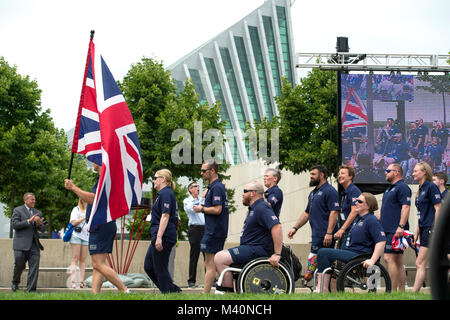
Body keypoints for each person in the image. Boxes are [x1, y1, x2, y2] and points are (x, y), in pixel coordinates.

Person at [64, 163, 130, 294]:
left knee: (98, 264)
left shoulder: (104, 179)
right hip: (104, 224)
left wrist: (73, 188)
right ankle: (95, 295)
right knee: (98, 264)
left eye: (93, 160)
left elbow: (92, 198)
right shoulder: (106, 179)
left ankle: (124, 290)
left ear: (100, 162)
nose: (92, 163)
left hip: (100, 225)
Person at [214, 181, 282, 292]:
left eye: (245, 191)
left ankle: (227, 293)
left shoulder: (262, 207)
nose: (242, 194)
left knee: (220, 257)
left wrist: (277, 253)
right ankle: (229, 290)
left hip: (257, 249)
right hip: (250, 247)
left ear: (253, 193)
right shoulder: (254, 208)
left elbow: (277, 227)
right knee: (221, 257)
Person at [316, 193, 386, 292]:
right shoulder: (359, 219)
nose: (356, 203)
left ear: (368, 206)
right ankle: (329, 289)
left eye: (360, 201)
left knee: (323, 253)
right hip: (352, 252)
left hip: (359, 255)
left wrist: (372, 260)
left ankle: (322, 288)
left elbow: (381, 241)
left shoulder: (371, 220)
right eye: (356, 201)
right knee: (327, 255)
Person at [287, 165, 339, 282]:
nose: (310, 177)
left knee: (319, 260)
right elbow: (307, 213)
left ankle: (320, 286)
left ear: (322, 175)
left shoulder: (330, 191)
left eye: (313, 175)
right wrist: (295, 228)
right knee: (319, 260)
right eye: (310, 174)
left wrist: (329, 233)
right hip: (316, 234)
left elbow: (334, 212)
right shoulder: (313, 193)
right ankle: (320, 286)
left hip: (325, 235)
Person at [193, 159, 229, 294]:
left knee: (210, 265)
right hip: (213, 230)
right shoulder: (214, 187)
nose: (201, 173)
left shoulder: (217, 187)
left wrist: (201, 209)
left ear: (212, 171)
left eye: (204, 171)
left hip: (214, 231)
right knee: (211, 264)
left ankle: (205, 294)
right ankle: (226, 290)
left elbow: (217, 209)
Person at [144, 169, 181, 294]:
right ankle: (172, 290)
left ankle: (169, 293)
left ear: (163, 179)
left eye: (155, 178)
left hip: (163, 236)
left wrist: (159, 237)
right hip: (160, 235)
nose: (153, 180)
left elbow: (165, 216)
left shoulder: (166, 194)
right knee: (149, 266)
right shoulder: (163, 194)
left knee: (159, 267)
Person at [378, 163, 411, 291]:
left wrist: (401, 226)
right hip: (387, 229)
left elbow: (406, 207)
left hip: (395, 230)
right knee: (397, 261)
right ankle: (401, 292)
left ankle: (391, 291)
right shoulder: (389, 188)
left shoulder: (402, 187)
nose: (385, 173)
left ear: (396, 172)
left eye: (388, 170)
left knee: (388, 258)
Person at [411, 162, 441, 293]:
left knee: (420, 262)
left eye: (416, 171)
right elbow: (420, 214)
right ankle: (414, 292)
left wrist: (435, 228)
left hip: (430, 228)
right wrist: (416, 232)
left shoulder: (431, 187)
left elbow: (438, 209)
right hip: (423, 228)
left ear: (424, 172)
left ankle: (414, 292)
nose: (413, 173)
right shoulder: (420, 189)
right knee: (422, 262)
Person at [11, 192, 46, 292]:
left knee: (34, 268)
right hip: (21, 244)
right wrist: (28, 221)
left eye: (34, 199)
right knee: (19, 265)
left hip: (34, 244)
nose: (34, 201)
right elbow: (15, 225)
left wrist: (39, 224)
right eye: (32, 199)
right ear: (25, 200)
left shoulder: (38, 212)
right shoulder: (17, 210)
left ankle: (31, 290)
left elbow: (43, 229)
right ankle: (15, 282)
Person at [183, 181, 205, 288]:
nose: (197, 188)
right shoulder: (187, 201)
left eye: (198, 186)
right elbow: (194, 209)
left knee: (208, 255)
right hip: (195, 229)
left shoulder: (203, 200)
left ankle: (211, 279)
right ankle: (191, 280)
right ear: (190, 189)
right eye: (195, 186)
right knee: (194, 255)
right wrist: (201, 202)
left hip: (205, 229)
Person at [334, 165, 361, 248]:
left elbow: (355, 211)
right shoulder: (345, 192)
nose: (339, 176)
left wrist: (342, 229)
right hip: (347, 231)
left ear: (350, 177)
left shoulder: (353, 190)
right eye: (339, 174)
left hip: (353, 232)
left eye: (342, 173)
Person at [68, 199, 89, 289]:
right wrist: (84, 217)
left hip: (86, 236)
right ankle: (73, 281)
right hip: (76, 235)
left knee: (83, 259)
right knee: (75, 258)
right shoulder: (76, 209)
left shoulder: (90, 210)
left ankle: (81, 282)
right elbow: (73, 222)